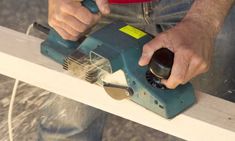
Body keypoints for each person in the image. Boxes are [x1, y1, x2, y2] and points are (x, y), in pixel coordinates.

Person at [38, 0, 234, 141]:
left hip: (199, 5)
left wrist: (204, 22)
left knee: (203, 124)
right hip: (96, 7)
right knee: (66, 122)